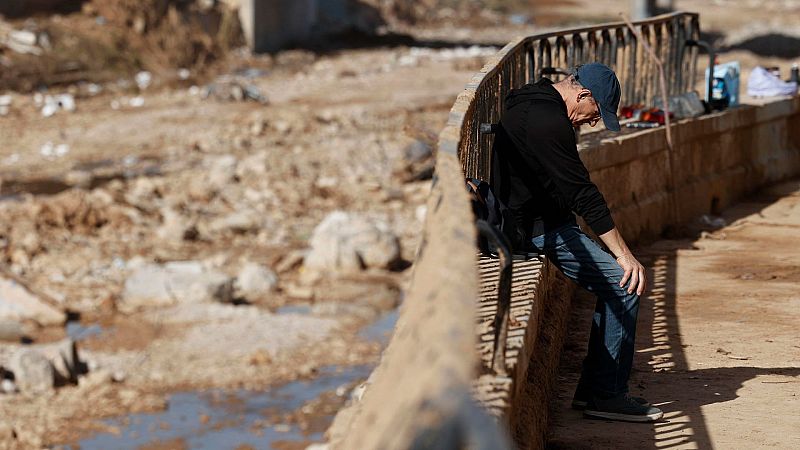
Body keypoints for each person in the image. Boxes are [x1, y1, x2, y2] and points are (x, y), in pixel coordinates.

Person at [490, 62, 663, 422]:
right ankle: (606, 395)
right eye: (596, 112)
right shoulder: (548, 122)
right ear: (582, 94)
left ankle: (593, 391)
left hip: (539, 220)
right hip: (538, 228)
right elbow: (584, 194)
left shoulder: (532, 101)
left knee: (616, 284)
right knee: (624, 285)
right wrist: (625, 256)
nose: (593, 122)